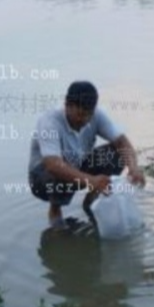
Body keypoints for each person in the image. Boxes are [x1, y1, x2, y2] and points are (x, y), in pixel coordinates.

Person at [28, 81, 145, 229]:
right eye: (79, 114)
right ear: (67, 105)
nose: (83, 120)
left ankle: (90, 203)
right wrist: (92, 180)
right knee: (57, 173)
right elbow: (52, 164)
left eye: (88, 115)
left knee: (116, 153)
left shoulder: (96, 115)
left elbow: (122, 142)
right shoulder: (50, 121)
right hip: (43, 176)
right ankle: (55, 213)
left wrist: (133, 168)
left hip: (77, 163)